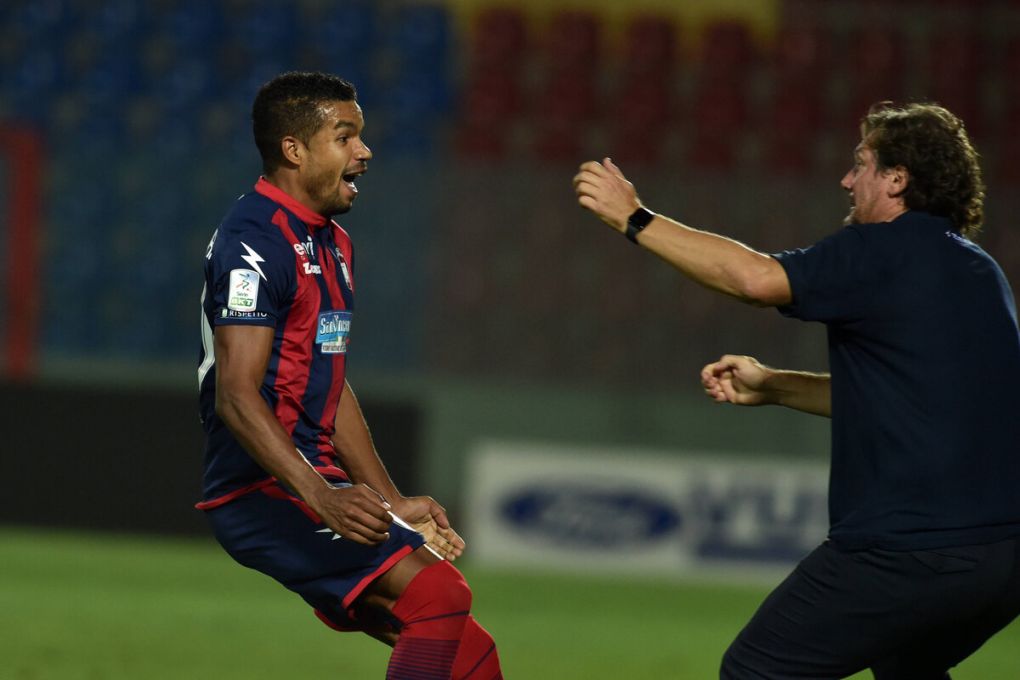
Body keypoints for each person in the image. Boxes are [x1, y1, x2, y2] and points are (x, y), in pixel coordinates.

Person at [574, 102, 1020, 678]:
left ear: (897, 179)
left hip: (908, 551)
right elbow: (912, 399)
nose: (846, 178)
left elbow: (756, 280)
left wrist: (635, 219)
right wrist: (778, 387)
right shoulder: (980, 272)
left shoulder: (880, 248)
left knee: (755, 671)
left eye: (861, 163)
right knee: (906, 667)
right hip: (1001, 560)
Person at [197, 71, 503, 680]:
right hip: (262, 488)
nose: (364, 152)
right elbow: (235, 394)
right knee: (440, 596)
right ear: (295, 149)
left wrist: (389, 500)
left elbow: (327, 383)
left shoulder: (333, 244)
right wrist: (321, 498)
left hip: (314, 484)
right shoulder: (253, 242)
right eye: (346, 137)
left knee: (472, 653)